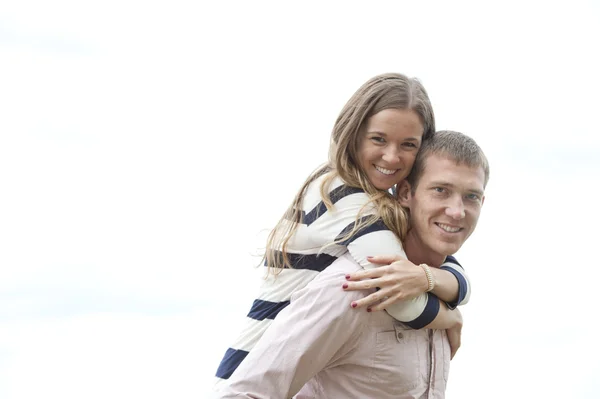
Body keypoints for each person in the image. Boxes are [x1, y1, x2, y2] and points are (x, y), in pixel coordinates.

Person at [214, 73, 471, 386]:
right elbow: (401, 300)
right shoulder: (341, 195)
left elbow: (444, 267)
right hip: (248, 374)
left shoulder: (376, 201)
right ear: (353, 133)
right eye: (379, 139)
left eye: (408, 145)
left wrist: (430, 278)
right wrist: (450, 317)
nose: (392, 156)